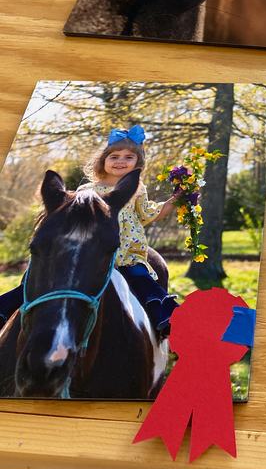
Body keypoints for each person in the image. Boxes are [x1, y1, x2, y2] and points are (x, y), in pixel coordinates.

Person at [0, 125, 181, 340]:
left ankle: (163, 319)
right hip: (90, 253)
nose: (121, 161)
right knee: (42, 280)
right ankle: (6, 310)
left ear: (138, 162)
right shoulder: (87, 191)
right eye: (114, 156)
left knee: (142, 279)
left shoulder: (137, 189)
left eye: (128, 157)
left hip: (128, 255)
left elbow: (148, 213)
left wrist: (175, 200)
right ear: (103, 160)